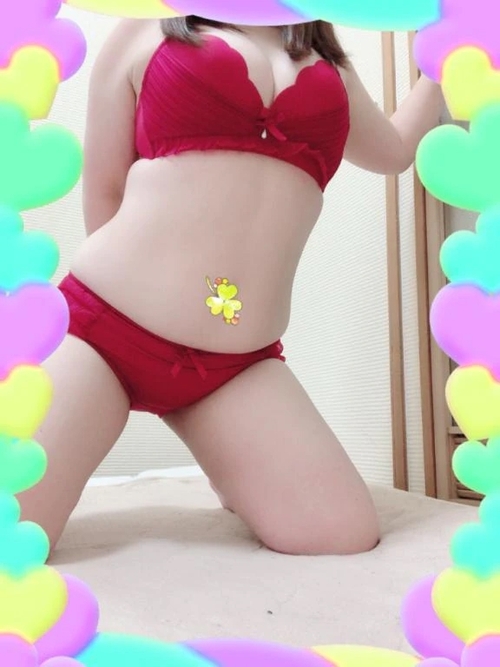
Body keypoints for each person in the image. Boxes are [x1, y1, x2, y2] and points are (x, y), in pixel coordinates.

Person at [18, 17, 444, 556]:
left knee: (341, 533)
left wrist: (447, 54)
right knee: (16, 533)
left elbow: (395, 150)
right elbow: (104, 189)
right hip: (104, 333)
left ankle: (226, 461)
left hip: (235, 366)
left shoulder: (327, 62)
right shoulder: (144, 30)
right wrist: (150, 301)